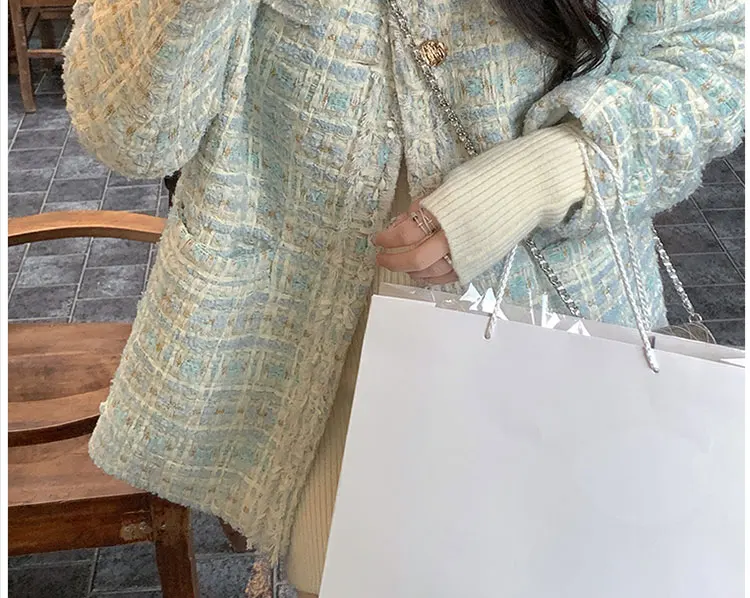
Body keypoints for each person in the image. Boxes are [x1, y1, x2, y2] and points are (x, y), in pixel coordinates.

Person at [63, 0, 743, 594]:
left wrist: (546, 172)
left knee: (575, 563)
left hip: (560, 354)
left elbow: (714, 54)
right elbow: (128, 133)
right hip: (312, 389)